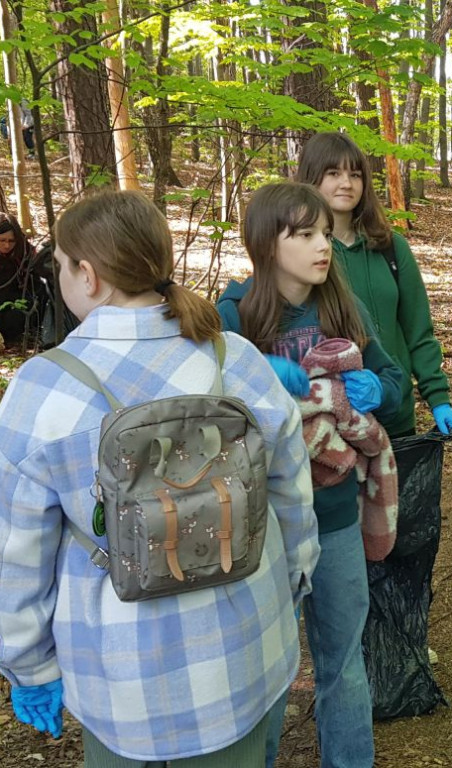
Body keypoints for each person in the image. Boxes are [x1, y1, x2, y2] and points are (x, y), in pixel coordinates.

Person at [0, 190, 321, 766]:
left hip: (120, 679)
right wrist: (296, 577)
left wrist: (26, 665)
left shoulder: (43, 388)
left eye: (62, 268)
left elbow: (14, 550)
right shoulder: (235, 359)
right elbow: (291, 491)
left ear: (88, 275)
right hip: (241, 650)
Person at [216, 181, 409, 768]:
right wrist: (250, 370)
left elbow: (395, 387)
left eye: (324, 232)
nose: (323, 246)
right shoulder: (235, 313)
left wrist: (380, 390)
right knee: (268, 671)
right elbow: (200, 402)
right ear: (267, 243)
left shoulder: (340, 307)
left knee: (342, 659)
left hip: (333, 518)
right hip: (261, 529)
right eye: (304, 235)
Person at [295, 132, 452, 439]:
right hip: (328, 422)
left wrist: (438, 398)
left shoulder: (391, 249)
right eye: (334, 173)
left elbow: (418, 331)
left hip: (394, 413)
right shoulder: (298, 253)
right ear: (311, 178)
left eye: (355, 174)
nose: (347, 183)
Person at [0, 212, 38, 347]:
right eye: (2, 240)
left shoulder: (24, 252)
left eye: (11, 241)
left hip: (19, 301)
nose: (6, 246)